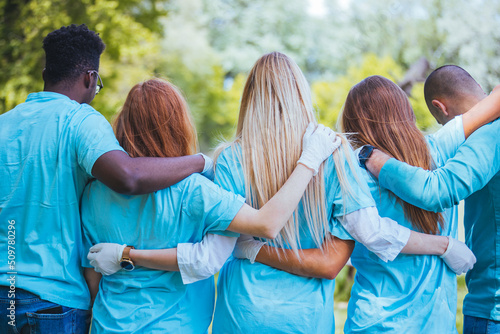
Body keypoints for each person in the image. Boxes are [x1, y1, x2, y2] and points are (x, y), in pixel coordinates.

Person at [88, 53, 475, 333]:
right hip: (306, 320)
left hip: (241, 316)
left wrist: (249, 247)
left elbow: (212, 255)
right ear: (300, 94)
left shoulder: (229, 161)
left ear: (249, 99)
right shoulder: (334, 155)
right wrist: (442, 244)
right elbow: (371, 232)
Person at [0, 24, 214, 334]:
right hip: (51, 301)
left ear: (47, 72)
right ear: (90, 77)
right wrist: (201, 161)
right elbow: (128, 176)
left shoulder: (5, 124)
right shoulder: (80, 120)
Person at [81, 78, 340, 333]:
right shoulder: (195, 191)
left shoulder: (93, 193)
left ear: (123, 124)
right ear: (178, 125)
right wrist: (309, 159)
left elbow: (91, 274)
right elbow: (263, 226)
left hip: (111, 324)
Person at [365, 69, 500, 334]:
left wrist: (377, 160)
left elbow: (437, 190)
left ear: (440, 108)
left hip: (492, 307)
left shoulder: (490, 135)